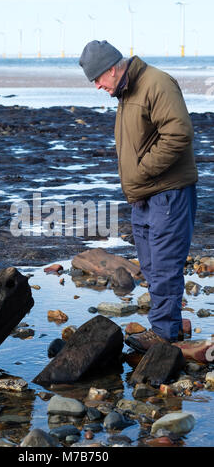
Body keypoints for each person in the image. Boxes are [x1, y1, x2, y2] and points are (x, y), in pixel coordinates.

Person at [79, 40, 198, 353]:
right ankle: (168, 327)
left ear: (113, 68)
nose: (97, 86)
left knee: (164, 267)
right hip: (144, 197)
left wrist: (143, 171)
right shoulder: (126, 92)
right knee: (150, 266)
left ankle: (164, 337)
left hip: (167, 194)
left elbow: (179, 134)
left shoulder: (156, 83)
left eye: (98, 79)